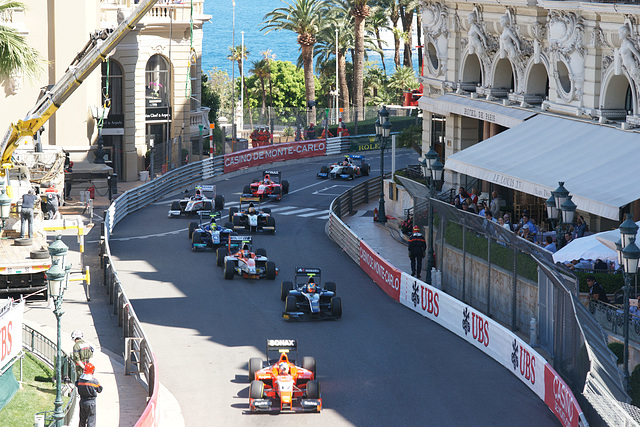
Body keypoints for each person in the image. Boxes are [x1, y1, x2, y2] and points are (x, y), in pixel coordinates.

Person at [76, 362, 103, 427]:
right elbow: (100, 389)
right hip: (91, 403)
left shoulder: (80, 380)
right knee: (91, 420)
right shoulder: (94, 381)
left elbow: (76, 384)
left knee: (82, 420)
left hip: (82, 401)